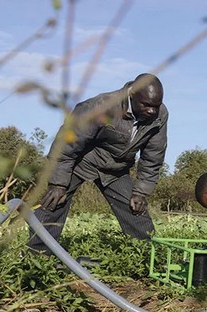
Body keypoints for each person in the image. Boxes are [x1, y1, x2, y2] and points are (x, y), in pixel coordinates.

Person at [27, 73, 168, 254]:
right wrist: (58, 183)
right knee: (55, 201)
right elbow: (66, 145)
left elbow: (153, 157)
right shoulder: (101, 106)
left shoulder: (159, 115)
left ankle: (146, 257)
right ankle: (36, 256)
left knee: (136, 208)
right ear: (132, 94)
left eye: (156, 106)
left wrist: (141, 192)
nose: (152, 111)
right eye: (146, 105)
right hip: (82, 160)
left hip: (115, 168)